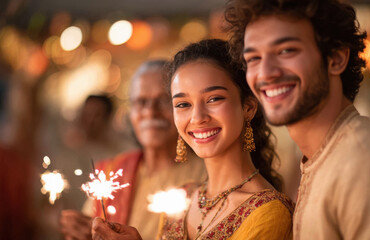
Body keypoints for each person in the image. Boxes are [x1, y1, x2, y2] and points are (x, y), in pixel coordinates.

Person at [224, 0, 370, 239]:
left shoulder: (368, 164)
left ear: (336, 58)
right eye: (254, 58)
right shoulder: (323, 158)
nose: (266, 73)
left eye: (286, 51)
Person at [91, 39, 294, 240]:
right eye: (182, 104)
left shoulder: (269, 211)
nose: (197, 118)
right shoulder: (182, 199)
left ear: (248, 107)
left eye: (214, 99)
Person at [60, 60, 206, 240]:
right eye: (141, 102)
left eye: (163, 101)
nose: (150, 112)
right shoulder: (114, 171)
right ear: (130, 112)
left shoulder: (207, 175)